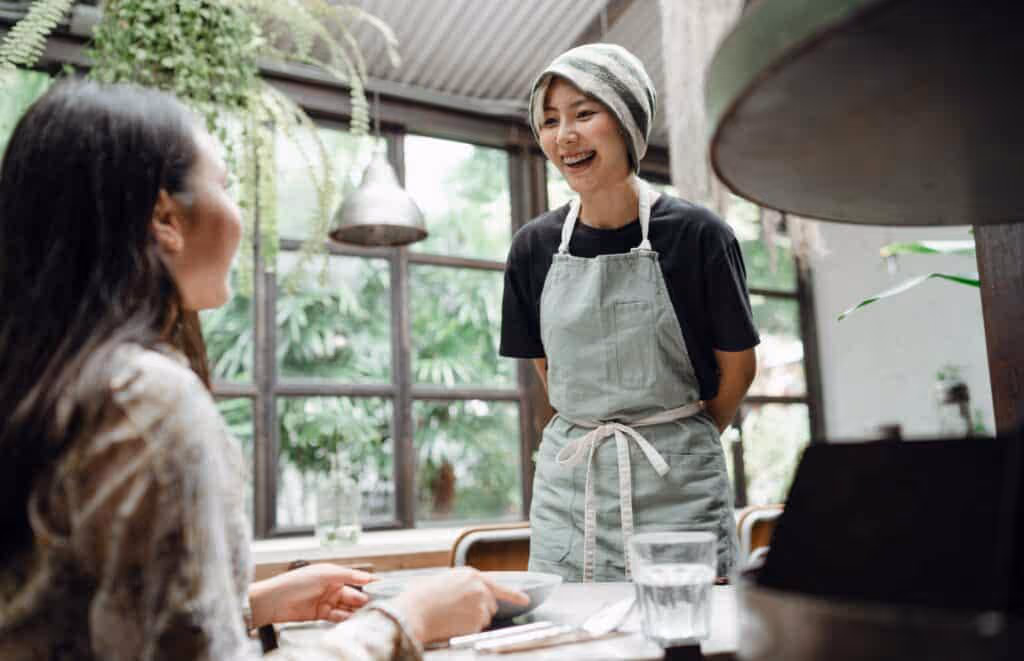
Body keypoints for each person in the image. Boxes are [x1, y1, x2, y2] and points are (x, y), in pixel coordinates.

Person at [0, 80, 526, 660]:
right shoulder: (147, 400)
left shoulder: (52, 383)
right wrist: (405, 619)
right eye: (226, 187)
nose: (240, 217)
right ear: (165, 217)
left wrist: (254, 601)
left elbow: (91, 624)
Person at [500, 44, 759, 582]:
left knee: (687, 634)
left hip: (677, 484)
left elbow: (738, 367)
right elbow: (549, 372)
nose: (563, 134)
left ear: (626, 122)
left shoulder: (698, 235)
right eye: (549, 121)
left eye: (583, 113)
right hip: (573, 490)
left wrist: (682, 439)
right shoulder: (533, 247)